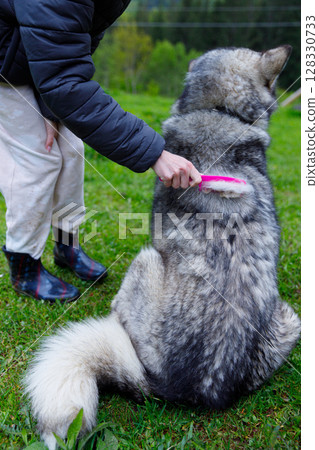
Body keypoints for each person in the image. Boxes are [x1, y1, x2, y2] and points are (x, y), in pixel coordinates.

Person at [0, 0, 201, 303]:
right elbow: (64, 79)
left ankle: (66, 246)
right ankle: (24, 264)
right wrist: (155, 154)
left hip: (36, 58)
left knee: (71, 150)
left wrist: (48, 107)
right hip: (5, 67)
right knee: (37, 160)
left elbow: (66, 49)